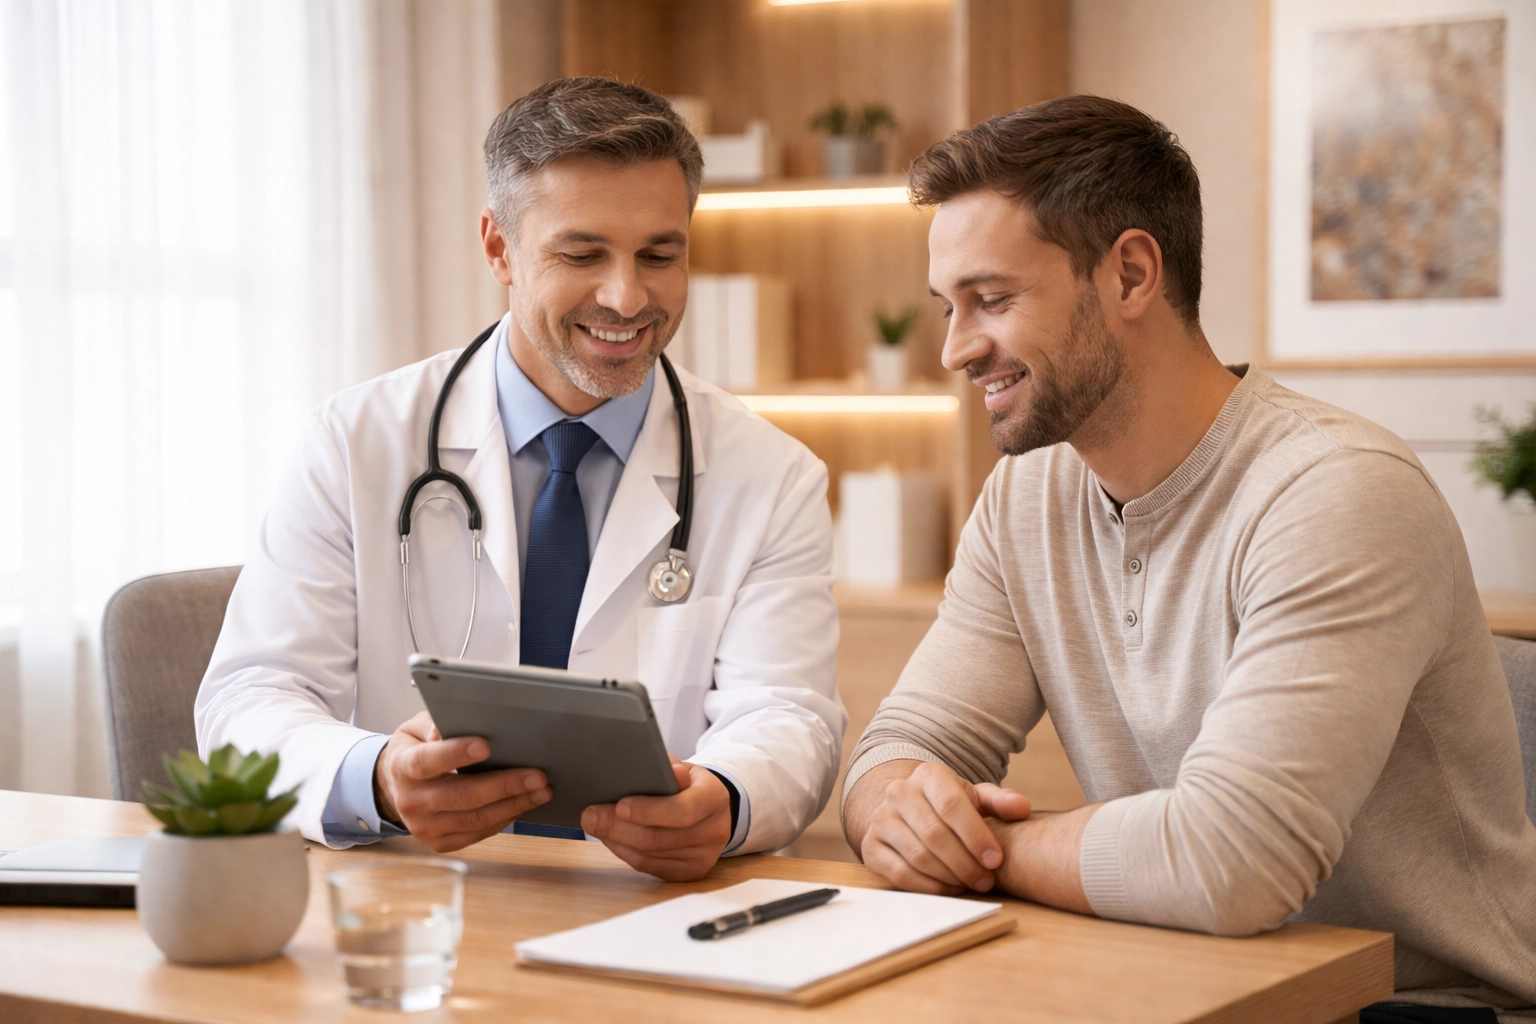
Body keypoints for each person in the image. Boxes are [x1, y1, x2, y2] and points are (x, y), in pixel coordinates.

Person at [840, 95, 1536, 1018]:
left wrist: (978, 847)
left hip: (1424, 1008)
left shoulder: (1339, 492)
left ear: (1130, 274)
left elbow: (1231, 862)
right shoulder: (1025, 500)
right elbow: (896, 751)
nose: (956, 349)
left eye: (992, 300)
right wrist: (893, 809)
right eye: (947, 307)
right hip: (1192, 982)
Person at [196, 77, 845, 882]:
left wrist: (726, 795)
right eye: (582, 254)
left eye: (659, 254)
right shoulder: (353, 443)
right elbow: (249, 701)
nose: (627, 296)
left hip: (641, 911)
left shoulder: (772, 477)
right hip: (408, 907)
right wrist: (378, 780)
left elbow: (787, 717)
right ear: (499, 248)